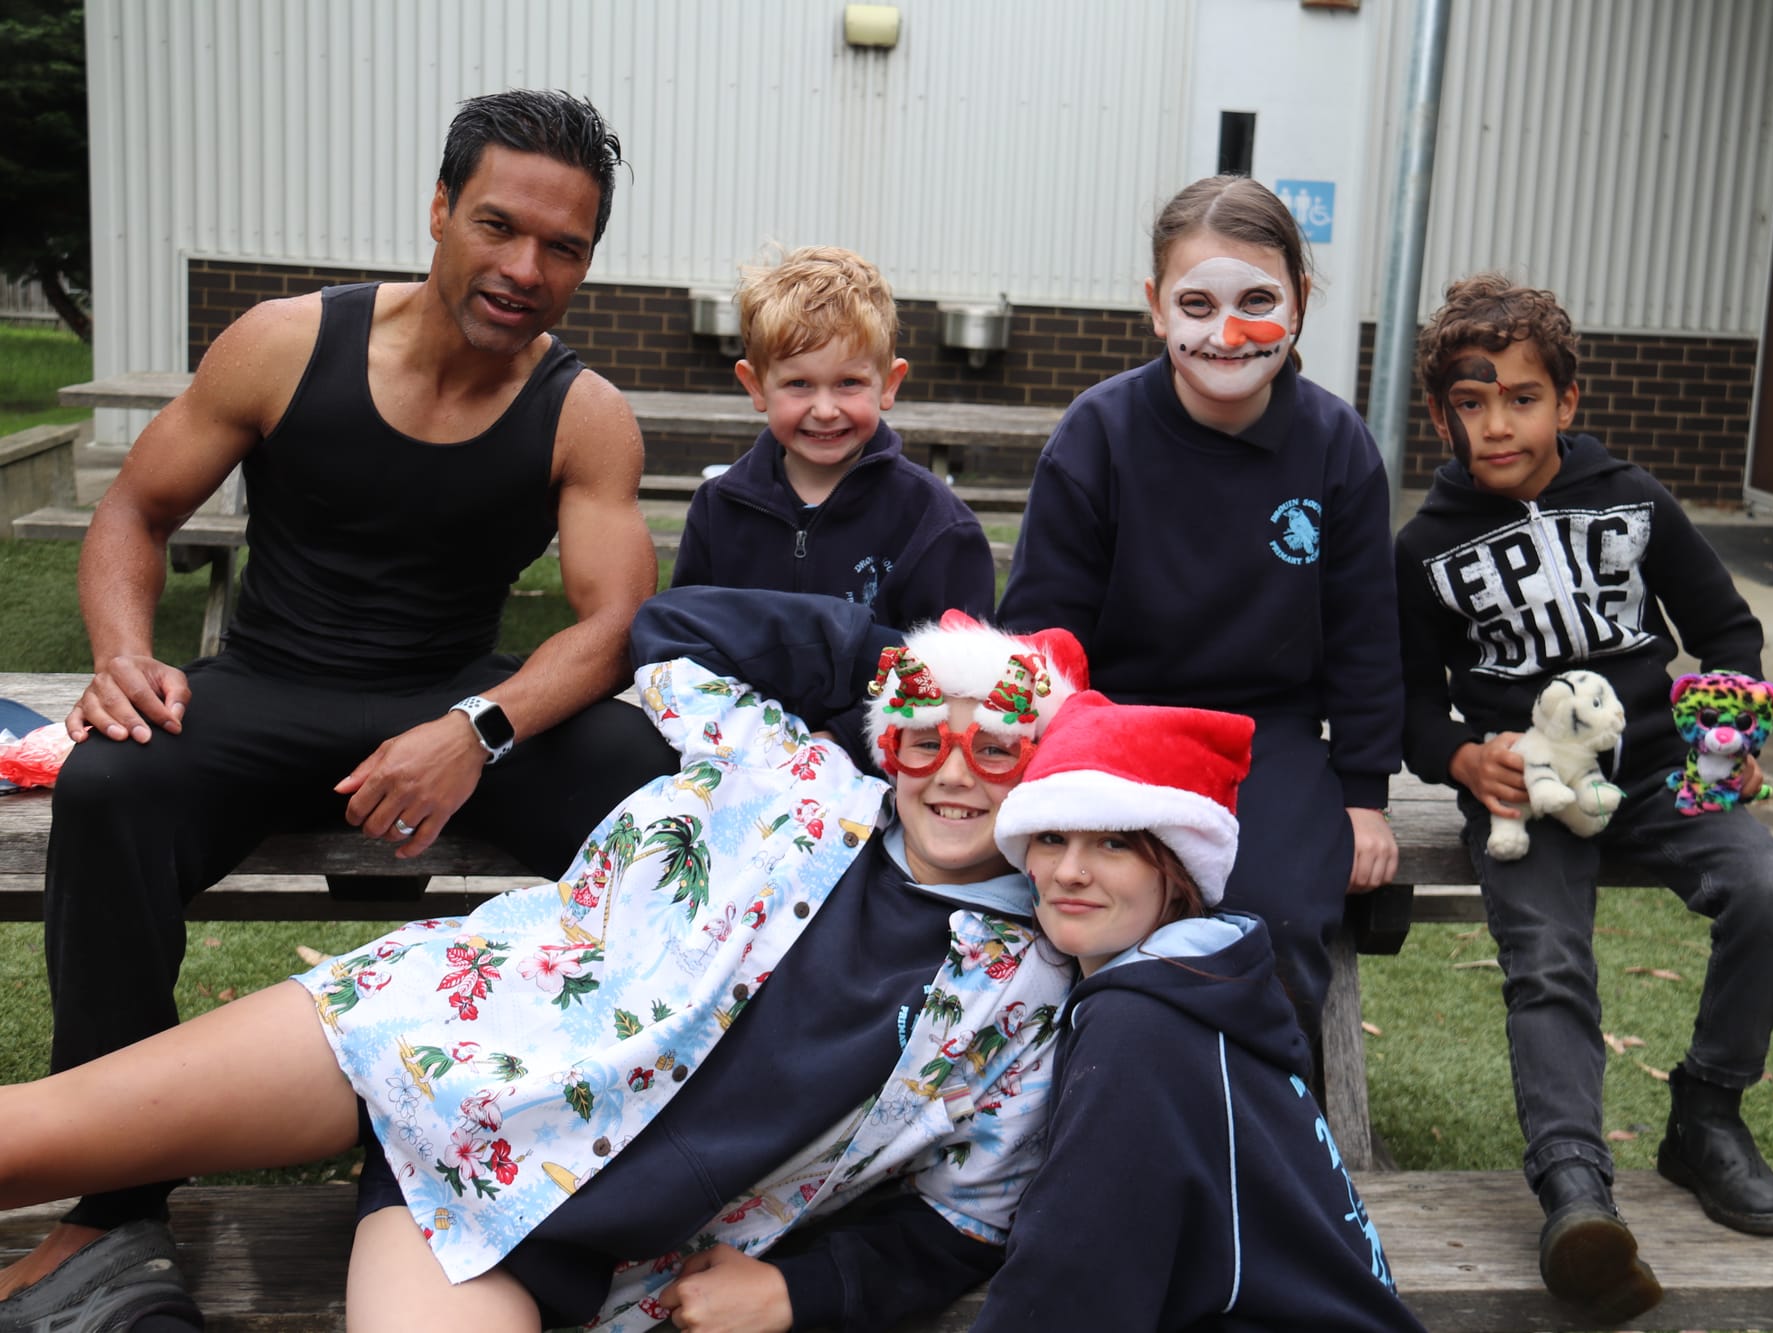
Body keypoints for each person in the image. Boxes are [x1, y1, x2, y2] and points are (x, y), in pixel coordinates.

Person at [1, 90, 673, 1330]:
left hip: (445, 706)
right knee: (111, 783)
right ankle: (114, 1203)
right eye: (498, 225)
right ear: (437, 210)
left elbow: (607, 628)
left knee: (655, 795)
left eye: (563, 247)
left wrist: (473, 731)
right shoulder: (285, 342)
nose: (525, 269)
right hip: (267, 688)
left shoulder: (581, 411)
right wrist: (119, 653)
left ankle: (579, 1152)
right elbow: (135, 512)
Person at [0, 587, 1089, 1333]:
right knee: (29, 1136)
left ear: (1045, 765)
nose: (954, 772)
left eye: (997, 744)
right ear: (881, 736)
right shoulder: (793, 780)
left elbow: (967, 1216)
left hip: (510, 1229)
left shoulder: (1027, 987)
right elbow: (673, 627)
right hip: (422, 1034)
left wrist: (803, 1293)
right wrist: (902, 658)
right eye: (920, 734)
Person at [1395, 273, 1773, 1322]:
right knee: (1545, 963)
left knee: (1770, 891)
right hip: (1529, 793)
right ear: (1440, 412)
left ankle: (1706, 1117)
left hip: (1665, 770)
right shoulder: (1423, 549)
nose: (1495, 424)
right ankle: (1574, 1190)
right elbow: (1402, 703)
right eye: (1469, 402)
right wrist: (1459, 760)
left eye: (1520, 397)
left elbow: (1726, 632)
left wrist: (1735, 728)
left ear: (1566, 401)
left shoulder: (1633, 498)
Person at [997, 175, 1403, 1069]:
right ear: (1154, 308)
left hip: (1272, 737)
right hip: (1117, 723)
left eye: (1259, 300)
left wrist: (1364, 794)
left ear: (1300, 302)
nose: (1227, 332)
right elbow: (1041, 631)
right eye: (1197, 303)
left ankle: (1268, 1129)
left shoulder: (1337, 447)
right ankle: (1083, 1110)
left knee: (1279, 920)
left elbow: (1368, 631)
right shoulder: (1097, 435)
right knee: (1083, 905)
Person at [970, 691, 1427, 1331]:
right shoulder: (1209, 973)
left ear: (1179, 871)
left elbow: (1070, 1287)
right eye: (1050, 838)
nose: (1070, 871)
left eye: (1112, 844)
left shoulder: (1137, 1027)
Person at [671, 245, 995, 626]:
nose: (825, 410)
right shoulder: (718, 510)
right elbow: (688, 634)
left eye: (848, 383)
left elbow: (963, 669)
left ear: (889, 384)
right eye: (799, 383)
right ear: (756, 386)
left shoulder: (934, 522)